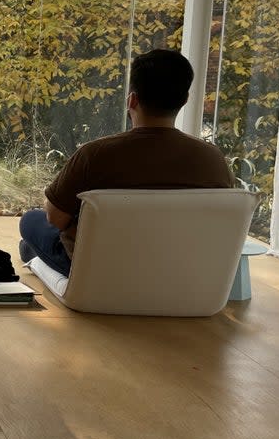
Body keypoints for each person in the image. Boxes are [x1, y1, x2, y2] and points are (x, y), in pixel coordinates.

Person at [19, 49, 234, 276]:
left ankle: (36, 255)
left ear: (132, 99)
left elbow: (55, 217)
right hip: (177, 269)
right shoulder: (213, 160)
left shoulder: (95, 154)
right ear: (185, 100)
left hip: (102, 269)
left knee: (31, 220)